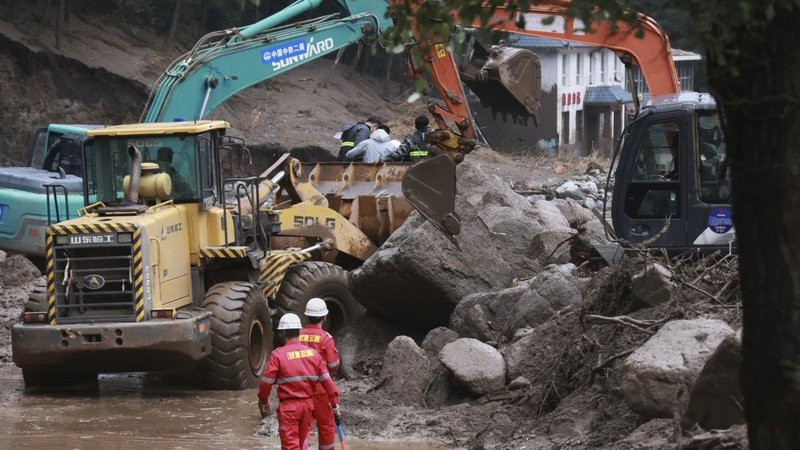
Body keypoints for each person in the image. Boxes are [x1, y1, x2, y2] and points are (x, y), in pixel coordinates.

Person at [258, 313, 340, 450]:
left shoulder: (278, 355)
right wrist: (335, 402)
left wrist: (263, 401)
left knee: (291, 446)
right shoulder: (313, 354)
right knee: (303, 445)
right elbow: (327, 381)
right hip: (308, 406)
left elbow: (266, 384)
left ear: (282, 333)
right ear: (298, 331)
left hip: (289, 408)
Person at [299, 298, 341, 450]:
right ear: (324, 317)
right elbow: (333, 365)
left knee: (303, 427)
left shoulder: (297, 335)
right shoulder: (325, 338)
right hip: (321, 390)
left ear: (307, 316)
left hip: (301, 389)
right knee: (325, 425)